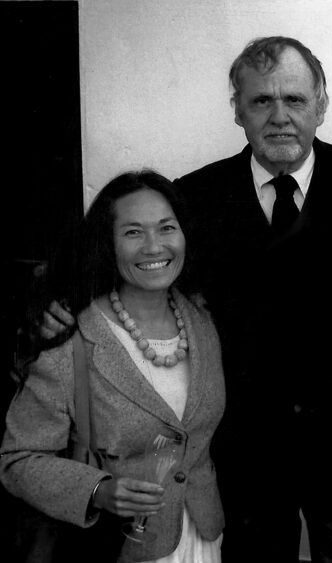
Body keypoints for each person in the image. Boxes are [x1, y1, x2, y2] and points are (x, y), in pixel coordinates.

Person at [170, 36, 332, 561]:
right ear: (238, 109)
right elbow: (145, 284)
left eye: (295, 99)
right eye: (262, 100)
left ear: (322, 104)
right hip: (244, 455)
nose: (280, 116)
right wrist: (56, 308)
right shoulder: (194, 196)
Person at [1, 171, 225, 562]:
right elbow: (19, 459)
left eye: (166, 228)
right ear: (107, 244)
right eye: (133, 232)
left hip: (201, 537)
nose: (154, 246)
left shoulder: (204, 321)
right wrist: (97, 490)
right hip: (118, 546)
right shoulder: (72, 338)